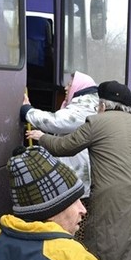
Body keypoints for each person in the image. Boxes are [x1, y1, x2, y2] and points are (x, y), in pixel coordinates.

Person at [28, 81, 131, 260]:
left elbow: (64, 146)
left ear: (103, 105)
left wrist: (42, 136)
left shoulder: (96, 123)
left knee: (109, 245)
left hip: (112, 196)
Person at [20, 70, 98, 200]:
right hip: (76, 171)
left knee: (77, 213)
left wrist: (28, 111)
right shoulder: (85, 103)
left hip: (79, 173)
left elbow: (57, 121)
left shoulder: (86, 106)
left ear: (79, 86)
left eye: (70, 84)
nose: (66, 88)